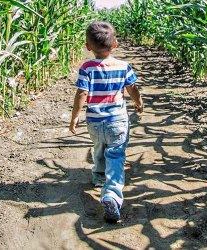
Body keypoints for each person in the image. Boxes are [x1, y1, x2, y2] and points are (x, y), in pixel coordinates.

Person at [69, 21, 143, 222]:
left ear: (88, 46)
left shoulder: (87, 68)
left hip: (94, 120)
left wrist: (75, 116)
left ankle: (100, 177)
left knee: (99, 147)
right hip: (117, 121)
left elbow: (82, 92)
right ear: (115, 44)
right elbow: (132, 87)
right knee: (116, 155)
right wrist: (138, 102)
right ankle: (111, 195)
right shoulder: (123, 66)